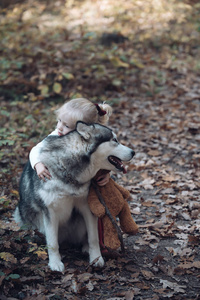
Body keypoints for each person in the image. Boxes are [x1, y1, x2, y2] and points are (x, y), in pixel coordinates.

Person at [29, 98, 113, 185]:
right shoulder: (56, 136)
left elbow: (105, 158)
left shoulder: (92, 143)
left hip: (87, 181)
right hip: (63, 180)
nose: (60, 127)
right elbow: (36, 150)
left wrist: (107, 173)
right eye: (59, 120)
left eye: (67, 126)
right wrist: (37, 164)